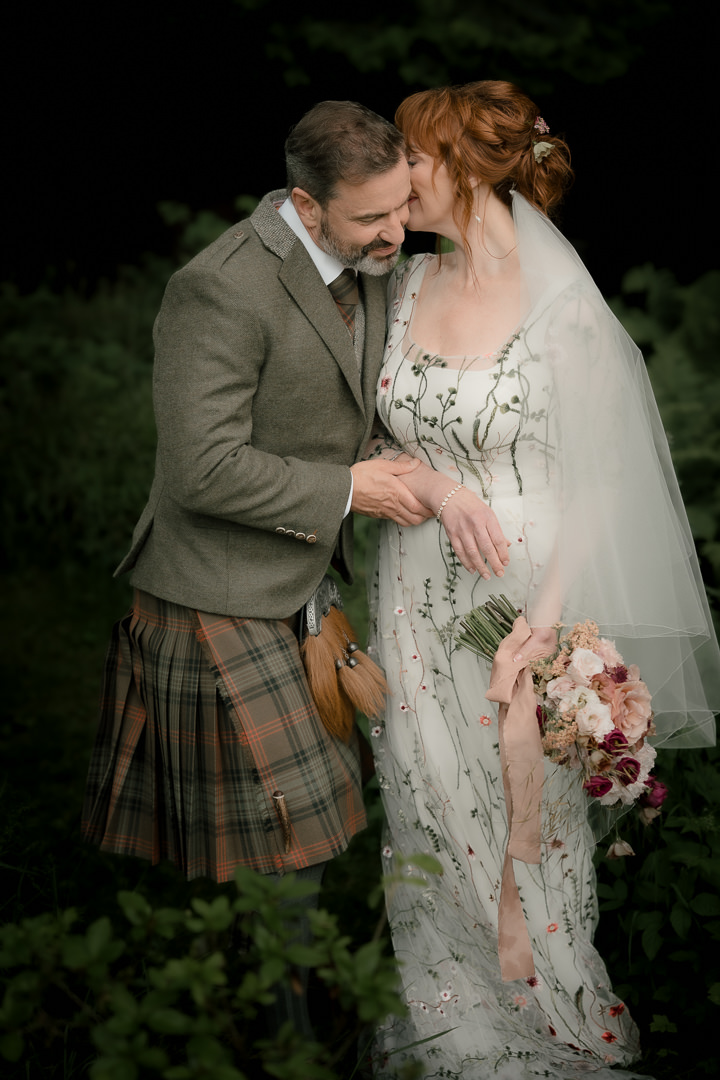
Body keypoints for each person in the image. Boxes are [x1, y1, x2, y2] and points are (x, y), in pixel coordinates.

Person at [366, 81, 719, 1078]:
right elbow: (370, 429)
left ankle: (555, 1019)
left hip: (523, 594)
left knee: (528, 812)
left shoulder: (564, 308)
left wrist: (546, 626)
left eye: (416, 156)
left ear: (472, 167)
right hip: (407, 594)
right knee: (425, 805)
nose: (400, 173)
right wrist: (424, 482)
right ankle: (450, 1026)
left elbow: (603, 479)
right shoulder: (403, 285)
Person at [81, 100, 433, 1031]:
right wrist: (350, 490)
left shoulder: (376, 263)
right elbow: (201, 469)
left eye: (403, 205)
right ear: (305, 208)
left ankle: (262, 1004)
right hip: (216, 591)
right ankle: (280, 1036)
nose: (396, 231)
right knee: (291, 838)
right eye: (371, 217)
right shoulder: (221, 289)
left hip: (304, 586)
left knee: (302, 830)